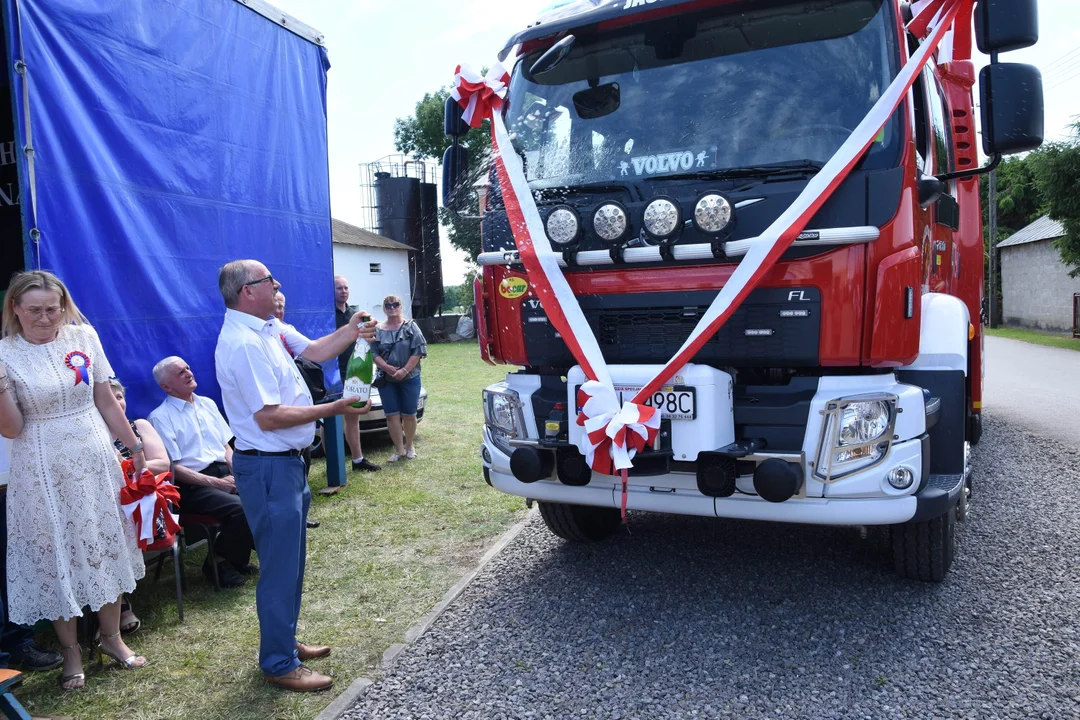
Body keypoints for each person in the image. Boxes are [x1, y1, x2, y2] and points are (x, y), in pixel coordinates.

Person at [214, 260, 375, 692]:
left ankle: (285, 641)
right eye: (270, 282)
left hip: (286, 464)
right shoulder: (243, 343)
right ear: (248, 291)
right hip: (269, 466)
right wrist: (336, 407)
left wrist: (353, 329)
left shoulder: (267, 328)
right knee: (280, 569)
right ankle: (279, 663)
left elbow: (319, 350)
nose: (278, 286)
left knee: (290, 564)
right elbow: (270, 418)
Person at [0, 270, 148, 692]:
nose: (45, 318)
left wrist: (134, 448)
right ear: (14, 308)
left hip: (94, 456)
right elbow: (10, 429)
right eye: (34, 310)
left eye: (53, 308)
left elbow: (104, 397)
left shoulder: (84, 339)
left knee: (104, 540)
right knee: (56, 553)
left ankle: (112, 638)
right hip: (41, 466)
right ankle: (71, 652)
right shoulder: (4, 354)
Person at [147, 357, 255, 589]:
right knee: (241, 509)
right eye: (180, 373)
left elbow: (226, 446)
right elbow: (172, 467)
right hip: (191, 484)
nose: (188, 373)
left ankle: (237, 559)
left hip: (222, 472)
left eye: (187, 367)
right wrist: (218, 483)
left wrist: (237, 472)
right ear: (166, 387)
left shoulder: (206, 403)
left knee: (262, 496)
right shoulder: (160, 417)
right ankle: (217, 563)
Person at [107, 378, 171, 632]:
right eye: (110, 398)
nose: (117, 402)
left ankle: (118, 609)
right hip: (110, 503)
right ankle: (118, 609)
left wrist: (122, 463)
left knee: (114, 527)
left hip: (144, 504)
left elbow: (162, 464)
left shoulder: (139, 426)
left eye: (120, 396)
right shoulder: (92, 433)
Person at [370, 294, 427, 462]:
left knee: (409, 414)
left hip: (410, 377)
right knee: (391, 415)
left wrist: (404, 370)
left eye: (395, 304)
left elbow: (418, 350)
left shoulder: (411, 327)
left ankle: (410, 446)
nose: (392, 308)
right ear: (384, 309)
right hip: (387, 380)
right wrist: (386, 367)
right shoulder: (378, 329)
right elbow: (373, 353)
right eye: (388, 305)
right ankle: (399, 450)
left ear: (401, 307)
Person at [335, 276, 378, 473]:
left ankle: (357, 459)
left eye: (345, 287)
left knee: (353, 418)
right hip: (332, 375)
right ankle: (334, 464)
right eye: (338, 288)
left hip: (355, 375)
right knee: (332, 418)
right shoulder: (327, 314)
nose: (343, 291)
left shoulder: (356, 316)